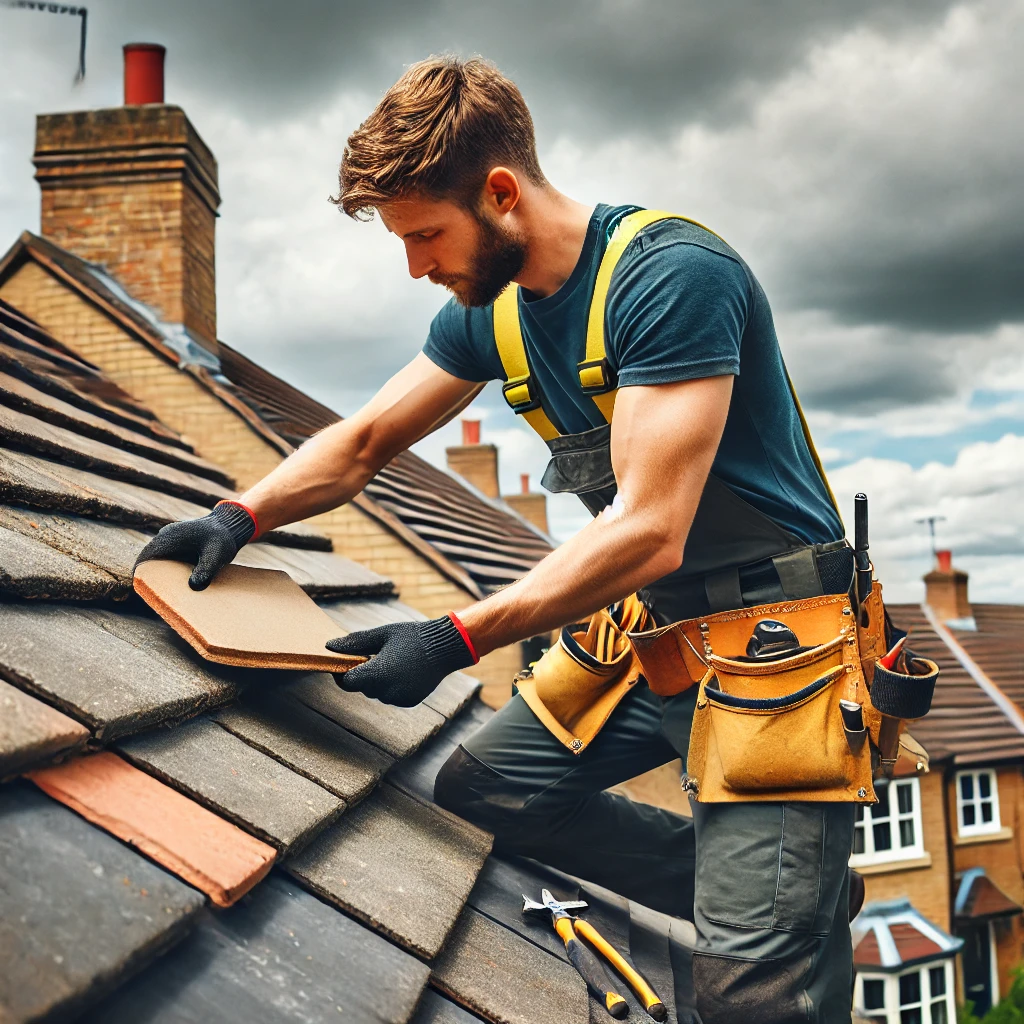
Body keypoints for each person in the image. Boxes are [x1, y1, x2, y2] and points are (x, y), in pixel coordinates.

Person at [138, 56, 859, 1021]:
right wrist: (241, 513)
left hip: (776, 646)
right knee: (489, 786)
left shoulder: (672, 278)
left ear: (502, 193)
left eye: (426, 234)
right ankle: (788, 898)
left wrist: (455, 637)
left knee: (748, 997)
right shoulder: (499, 313)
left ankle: (768, 928)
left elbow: (650, 532)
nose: (416, 264)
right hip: (659, 638)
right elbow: (361, 443)